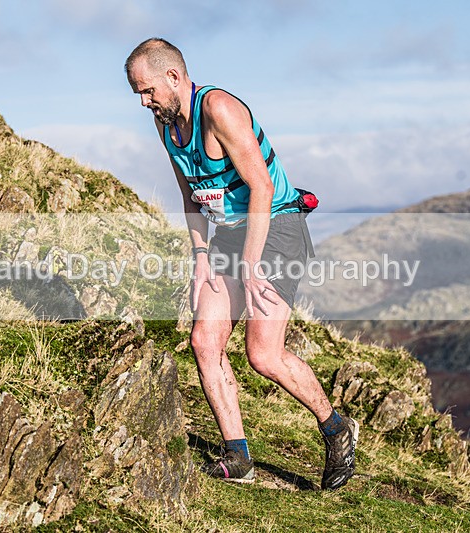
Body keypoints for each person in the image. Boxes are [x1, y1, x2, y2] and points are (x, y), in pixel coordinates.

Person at [124, 37, 358, 490]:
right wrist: (200, 257)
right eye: (138, 94)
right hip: (231, 233)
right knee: (204, 340)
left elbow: (262, 188)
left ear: (174, 76)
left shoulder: (219, 110)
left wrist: (250, 264)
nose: (144, 102)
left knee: (263, 355)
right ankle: (239, 457)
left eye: (148, 91)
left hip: (276, 226)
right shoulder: (166, 124)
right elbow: (190, 196)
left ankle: (336, 428)